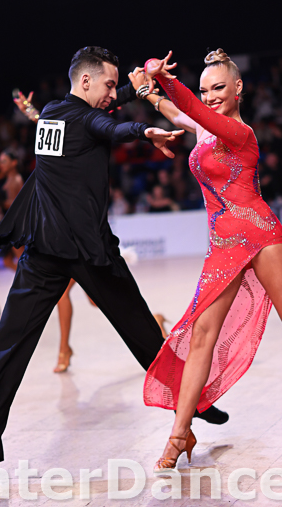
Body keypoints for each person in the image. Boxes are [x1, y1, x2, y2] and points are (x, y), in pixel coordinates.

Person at [0, 47, 228, 488]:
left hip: (44, 247)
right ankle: (195, 402)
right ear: (86, 81)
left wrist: (133, 86)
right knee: (143, 335)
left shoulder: (52, 113)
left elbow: (101, 112)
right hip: (87, 252)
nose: (113, 93)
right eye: (108, 85)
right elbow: (109, 126)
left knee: (9, 347)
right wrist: (144, 130)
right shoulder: (87, 119)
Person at [141, 50, 282, 473]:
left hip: (261, 238)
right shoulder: (205, 130)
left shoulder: (240, 133)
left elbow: (189, 108)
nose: (211, 96)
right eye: (205, 90)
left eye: (218, 88)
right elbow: (178, 112)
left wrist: (163, 80)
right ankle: (179, 434)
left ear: (238, 88)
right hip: (223, 247)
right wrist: (147, 91)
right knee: (202, 336)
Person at [12, 90, 168, 373]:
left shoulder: (88, 120)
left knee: (71, 297)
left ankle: (65, 349)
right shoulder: (61, 123)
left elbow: (106, 118)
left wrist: (139, 113)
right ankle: (153, 323)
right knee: (97, 301)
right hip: (62, 230)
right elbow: (50, 124)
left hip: (81, 232)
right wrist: (31, 112)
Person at [0, 149, 24, 271]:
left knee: (22, 259)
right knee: (7, 261)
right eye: (0, 162)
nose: (1, 165)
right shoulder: (8, 179)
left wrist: (1, 203)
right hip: (10, 225)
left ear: (14, 162)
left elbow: (20, 203)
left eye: (4, 161)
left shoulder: (15, 180)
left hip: (15, 226)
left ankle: (28, 279)